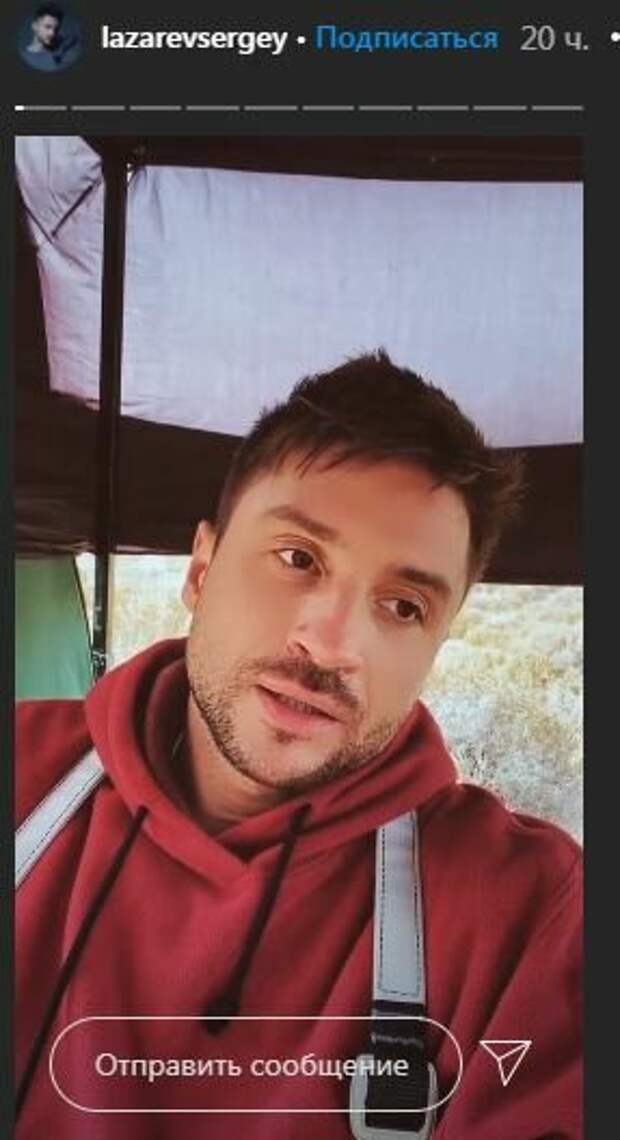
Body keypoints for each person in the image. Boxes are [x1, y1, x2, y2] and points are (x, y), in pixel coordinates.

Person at [15, 351, 582, 1138]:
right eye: (298, 558)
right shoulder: (23, 774)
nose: (332, 644)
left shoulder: (531, 918)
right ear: (202, 569)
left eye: (404, 606)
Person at [19, 4, 80, 72]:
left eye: (56, 29)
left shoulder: (58, 53)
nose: (52, 33)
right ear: (34, 26)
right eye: (47, 27)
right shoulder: (23, 56)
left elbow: (75, 36)